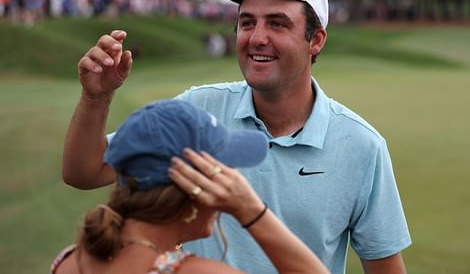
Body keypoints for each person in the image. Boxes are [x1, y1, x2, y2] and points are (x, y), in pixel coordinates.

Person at [62, 0, 411, 274]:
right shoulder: (197, 110)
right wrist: (96, 97)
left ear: (315, 39)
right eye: (247, 22)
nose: (257, 38)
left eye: (277, 23)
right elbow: (85, 172)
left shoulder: (362, 146)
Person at [52, 99, 330, 274]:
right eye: (219, 171)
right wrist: (252, 211)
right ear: (191, 186)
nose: (230, 179)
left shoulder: (69, 261)